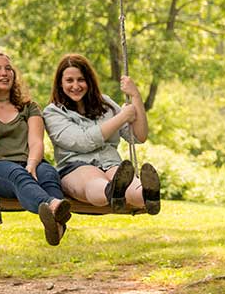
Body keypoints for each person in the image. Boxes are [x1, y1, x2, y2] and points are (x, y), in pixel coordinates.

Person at [0, 51, 71, 245]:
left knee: (48, 173)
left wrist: (32, 163)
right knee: (15, 173)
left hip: (28, 162)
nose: (4, 73)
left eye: (8, 68)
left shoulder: (28, 107)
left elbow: (37, 142)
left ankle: (55, 224)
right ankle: (54, 206)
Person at [42, 53, 160, 215]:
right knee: (93, 181)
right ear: (60, 83)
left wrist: (135, 96)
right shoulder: (53, 112)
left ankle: (147, 196)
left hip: (111, 163)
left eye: (81, 79)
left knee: (132, 187)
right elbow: (82, 142)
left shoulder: (105, 103)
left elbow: (139, 136)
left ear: (89, 81)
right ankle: (113, 192)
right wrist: (122, 117)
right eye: (69, 80)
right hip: (76, 166)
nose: (76, 85)